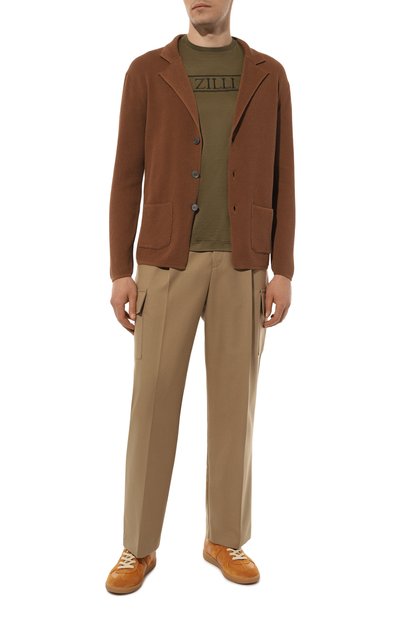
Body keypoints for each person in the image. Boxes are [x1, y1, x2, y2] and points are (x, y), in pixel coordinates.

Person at [105, 0, 296, 593]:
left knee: (235, 406)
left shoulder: (268, 74)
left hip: (244, 263)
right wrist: (120, 270)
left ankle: (224, 537)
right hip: (165, 260)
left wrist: (284, 268)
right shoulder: (147, 71)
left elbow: (284, 175)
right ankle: (138, 546)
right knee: (152, 403)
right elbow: (126, 173)